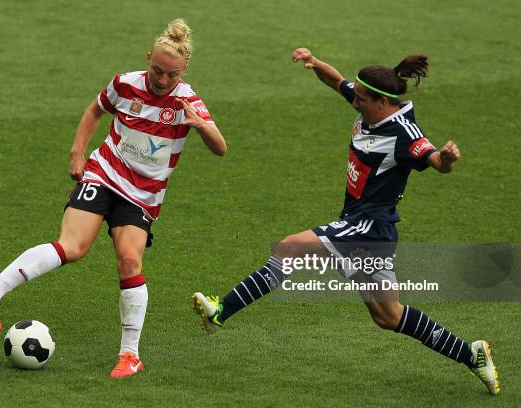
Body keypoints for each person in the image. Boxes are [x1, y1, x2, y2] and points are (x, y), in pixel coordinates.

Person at [192, 48, 500, 395]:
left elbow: (434, 161)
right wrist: (314, 63)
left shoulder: (405, 134)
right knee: (389, 316)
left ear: (383, 103)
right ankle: (470, 354)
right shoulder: (369, 103)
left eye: (363, 100)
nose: (356, 103)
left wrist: (446, 158)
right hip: (362, 224)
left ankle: (220, 310)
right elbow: (338, 82)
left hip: (368, 227)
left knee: (290, 247)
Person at [0, 18, 226, 378]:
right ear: (148, 58)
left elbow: (220, 148)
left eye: (171, 74)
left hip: (142, 197)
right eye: (157, 70)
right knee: (73, 247)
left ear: (183, 71)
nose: (162, 80)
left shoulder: (188, 101)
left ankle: (129, 356)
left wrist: (200, 125)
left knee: (130, 262)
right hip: (105, 174)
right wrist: (78, 152)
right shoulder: (125, 84)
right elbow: (94, 110)